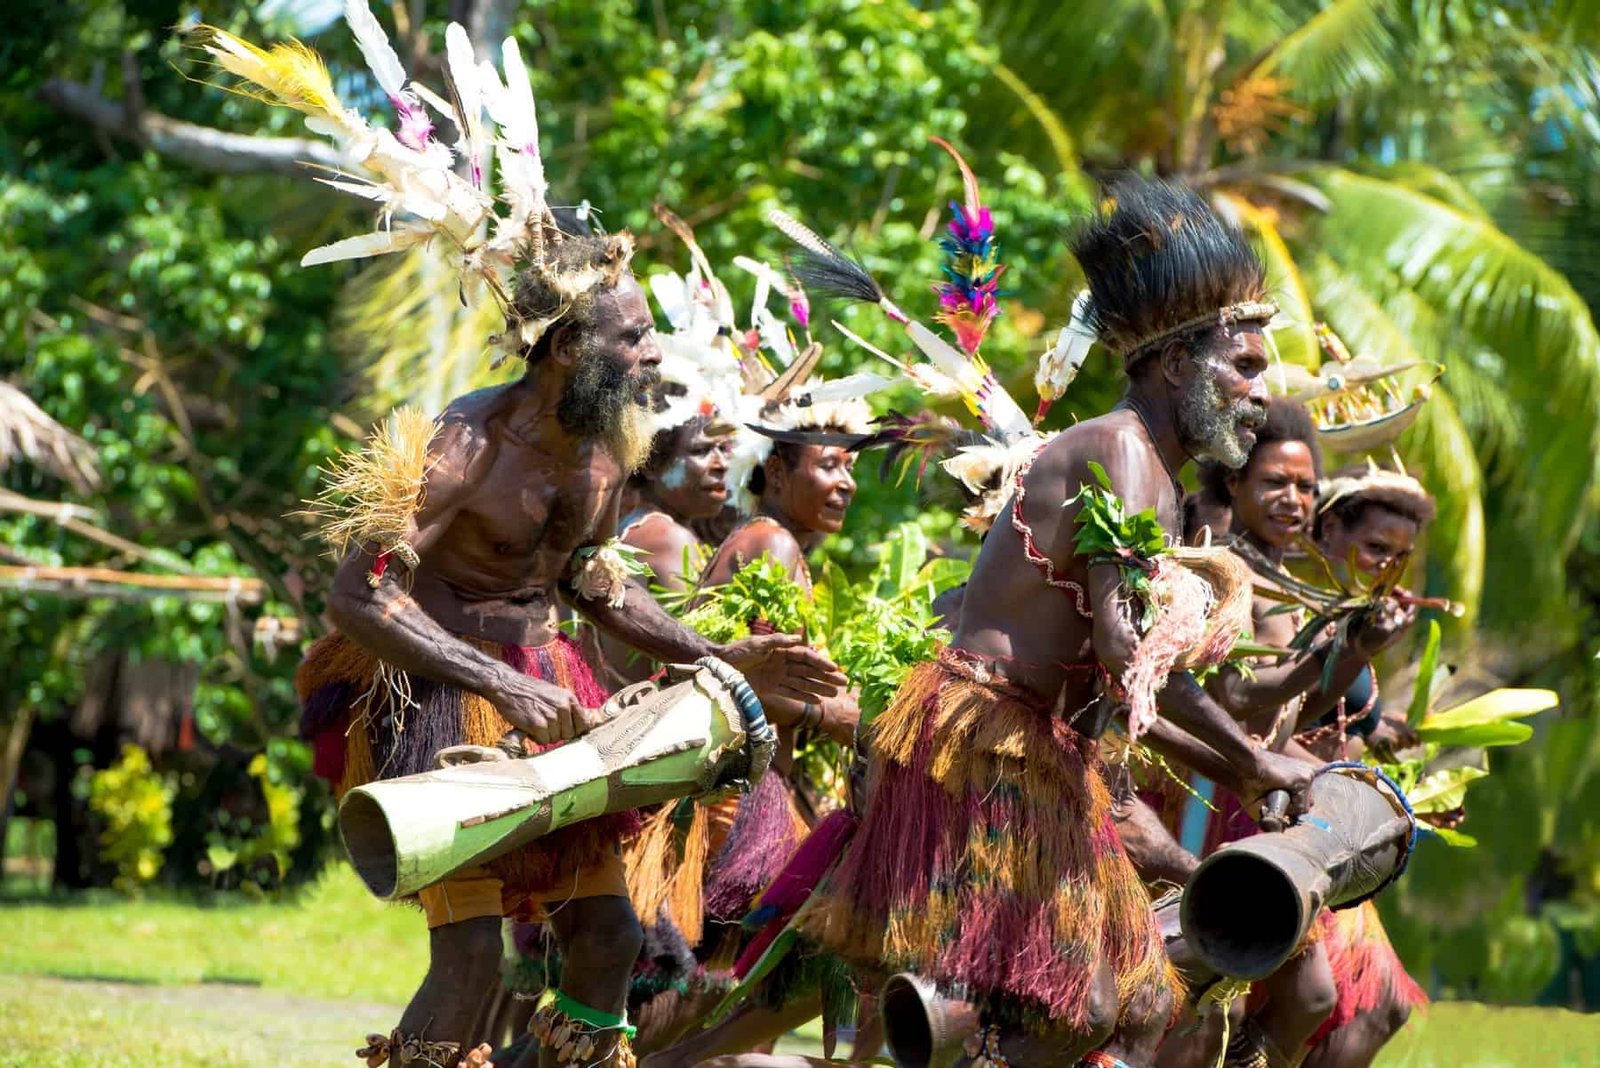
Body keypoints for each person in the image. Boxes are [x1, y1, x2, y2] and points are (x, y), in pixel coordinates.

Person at [789, 177, 1315, 1068]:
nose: (1264, 394)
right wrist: (1251, 760)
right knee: (1080, 1003)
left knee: (1145, 1003)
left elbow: (1138, 688)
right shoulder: (1116, 450)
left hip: (1052, 758)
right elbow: (1131, 653)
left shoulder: (1170, 491)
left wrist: (1248, 761)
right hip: (986, 746)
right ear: (1178, 364)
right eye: (1248, 366)